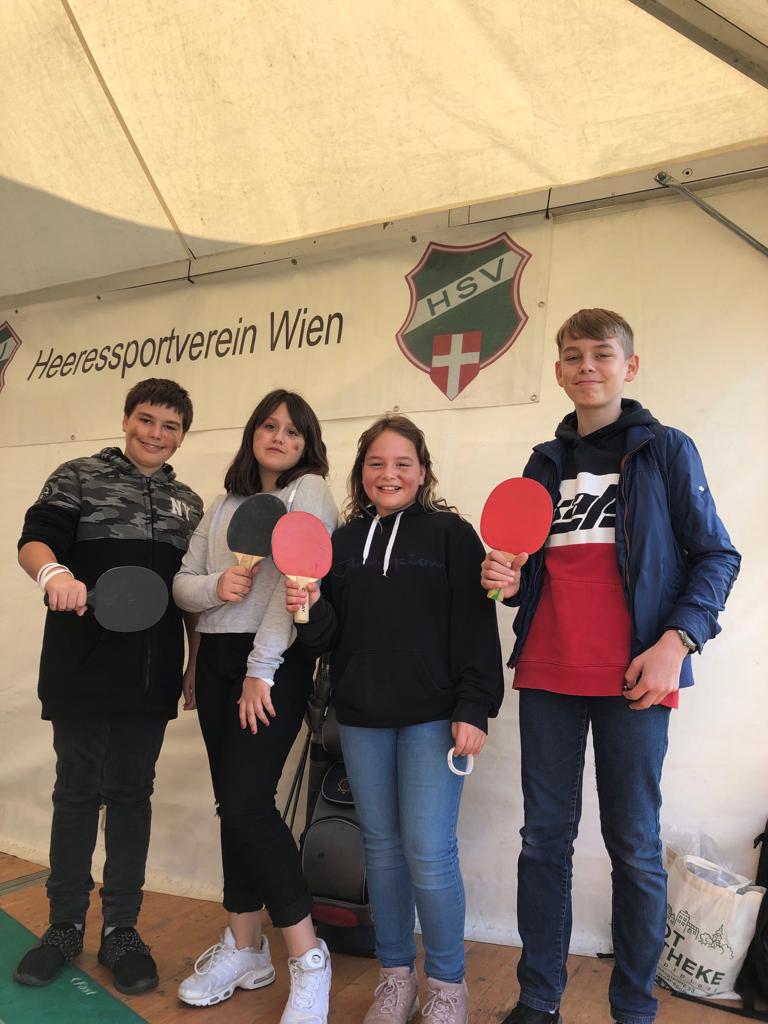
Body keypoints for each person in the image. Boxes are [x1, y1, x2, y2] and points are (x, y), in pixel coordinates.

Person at [481, 309, 741, 1024]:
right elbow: (528, 574)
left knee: (634, 849)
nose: (587, 366)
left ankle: (634, 1008)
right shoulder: (543, 463)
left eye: (602, 354)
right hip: (548, 672)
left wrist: (676, 644)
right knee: (543, 843)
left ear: (630, 366)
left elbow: (717, 556)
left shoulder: (666, 449)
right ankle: (538, 1000)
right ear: (559, 371)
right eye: (573, 356)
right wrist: (508, 581)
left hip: (638, 678)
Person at [285, 414, 504, 1024]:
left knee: (429, 853)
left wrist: (474, 708)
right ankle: (395, 979)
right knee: (380, 852)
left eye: (403, 463)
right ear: (361, 472)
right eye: (376, 463)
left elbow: (475, 627)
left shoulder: (452, 536)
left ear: (423, 472)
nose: (389, 474)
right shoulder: (343, 543)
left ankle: (448, 986)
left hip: (435, 720)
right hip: (361, 719)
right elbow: (326, 640)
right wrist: (308, 607)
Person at [14, 378, 203, 995]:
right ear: (126, 420)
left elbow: (190, 597)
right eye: (146, 419)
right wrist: (54, 574)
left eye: (170, 426)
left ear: (182, 436)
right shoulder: (78, 476)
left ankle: (121, 930)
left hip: (149, 678)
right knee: (76, 794)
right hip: (80, 670)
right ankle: (64, 927)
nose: (156, 434)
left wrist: (194, 663)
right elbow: (34, 540)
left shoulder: (188, 504)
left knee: (130, 797)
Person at [172, 389, 337, 1023]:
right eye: (269, 426)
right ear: (252, 434)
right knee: (234, 807)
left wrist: (260, 670)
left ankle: (308, 957)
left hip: (270, 663)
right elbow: (182, 586)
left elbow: (293, 592)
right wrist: (217, 586)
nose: (279, 438)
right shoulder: (222, 504)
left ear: (307, 444)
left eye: (293, 432)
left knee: (246, 805)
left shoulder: (309, 493)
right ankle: (245, 948)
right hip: (216, 659)